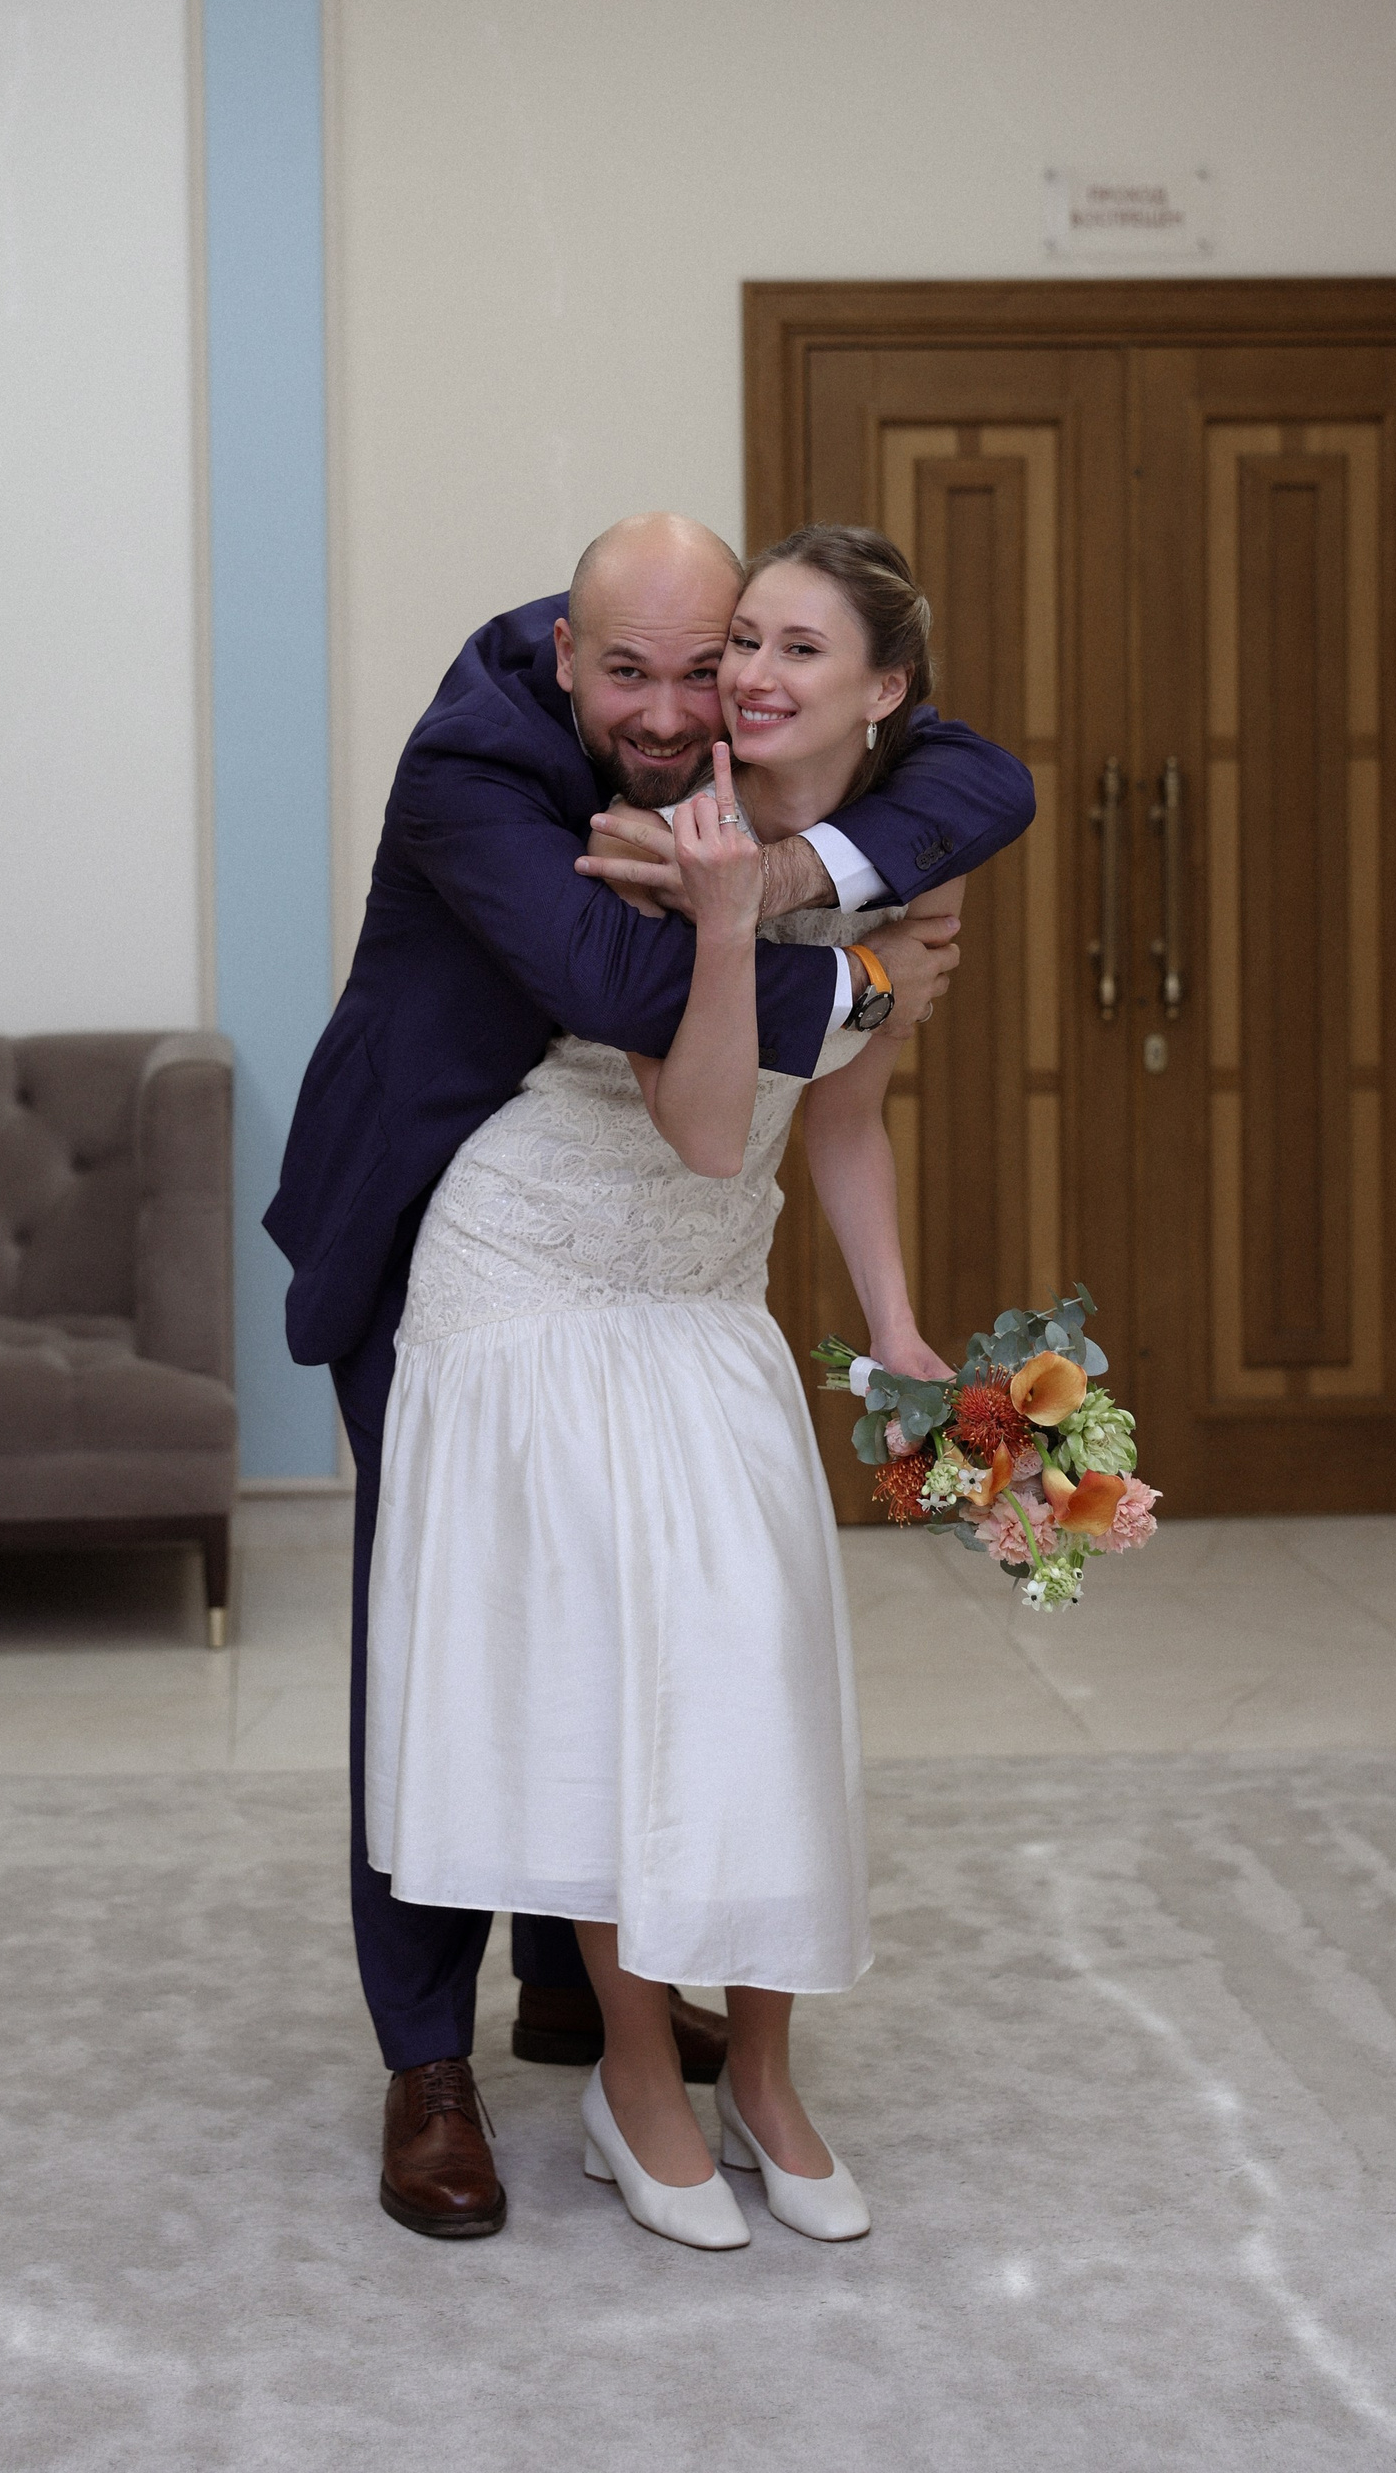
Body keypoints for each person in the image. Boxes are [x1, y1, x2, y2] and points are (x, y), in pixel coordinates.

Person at [266, 513, 1034, 2240]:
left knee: (665, 1644)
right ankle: (427, 2059)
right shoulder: (481, 760)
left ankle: (580, 1991)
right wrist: (863, 977)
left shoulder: (781, 753)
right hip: (456, 1226)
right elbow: (624, 983)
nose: (689, 707)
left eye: (732, 658)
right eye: (638, 673)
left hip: (685, 1267)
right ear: (567, 653)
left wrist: (799, 880)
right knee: (464, 1645)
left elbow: (988, 783)